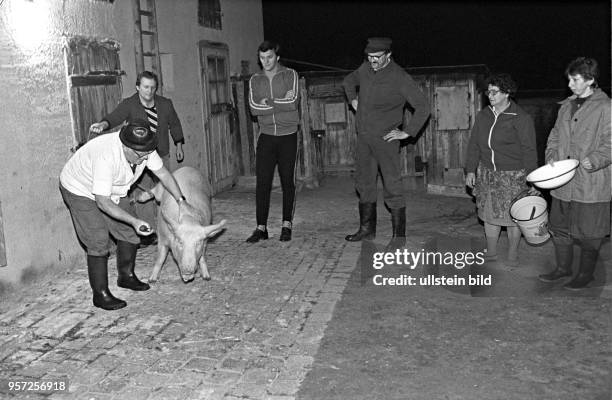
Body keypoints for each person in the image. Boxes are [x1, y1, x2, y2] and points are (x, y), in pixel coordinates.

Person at [60, 120, 190, 310]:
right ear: (125, 146)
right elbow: (103, 202)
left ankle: (126, 277)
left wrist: (181, 201)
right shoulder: (106, 156)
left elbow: (163, 174)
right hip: (79, 188)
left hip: (112, 188)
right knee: (98, 239)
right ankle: (100, 294)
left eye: (146, 154)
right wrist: (134, 220)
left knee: (129, 232)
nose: (144, 158)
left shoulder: (144, 148)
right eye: (139, 155)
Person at [342, 37, 430, 252]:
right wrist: (353, 100)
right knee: (364, 184)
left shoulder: (399, 77)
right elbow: (347, 81)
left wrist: (407, 133)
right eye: (369, 57)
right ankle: (366, 229)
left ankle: (399, 240)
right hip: (364, 138)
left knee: (392, 186)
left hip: (386, 141)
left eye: (377, 58)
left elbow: (423, 106)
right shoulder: (365, 68)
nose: (372, 61)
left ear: (388, 55)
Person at [538, 57, 611, 290]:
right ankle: (563, 268)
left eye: (575, 79)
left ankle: (586, 274)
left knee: (590, 232)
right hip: (563, 182)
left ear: (590, 80)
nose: (570, 84)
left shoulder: (606, 107)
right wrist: (550, 157)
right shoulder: (566, 106)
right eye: (569, 79)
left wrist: (596, 159)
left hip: (590, 183)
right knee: (560, 228)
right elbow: (554, 136)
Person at [89, 71, 185, 242]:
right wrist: (102, 125)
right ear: (138, 87)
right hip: (138, 156)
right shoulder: (130, 104)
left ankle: (170, 229)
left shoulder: (165, 104)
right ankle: (148, 233)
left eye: (152, 87)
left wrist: (179, 145)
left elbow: (175, 124)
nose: (149, 91)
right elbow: (115, 117)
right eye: (145, 87)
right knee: (144, 194)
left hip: (160, 153)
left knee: (166, 190)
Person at [465, 73, 538, 267]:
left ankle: (513, 254)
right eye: (488, 91)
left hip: (513, 175)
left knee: (512, 217)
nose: (490, 95)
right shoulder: (484, 115)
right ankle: (491, 252)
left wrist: (533, 179)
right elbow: (474, 145)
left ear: (507, 93)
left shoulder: (520, 118)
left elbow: (529, 150)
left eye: (495, 92)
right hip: (487, 173)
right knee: (489, 214)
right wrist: (470, 170)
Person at [246, 40, 300, 243]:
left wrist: (267, 102)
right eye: (262, 58)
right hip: (266, 135)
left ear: (277, 57)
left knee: (287, 181)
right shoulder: (255, 80)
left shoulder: (290, 75)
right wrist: (280, 103)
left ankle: (287, 224)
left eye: (269, 57)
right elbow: (253, 108)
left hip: (288, 135)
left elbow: (293, 101)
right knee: (263, 182)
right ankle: (261, 228)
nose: (266, 61)